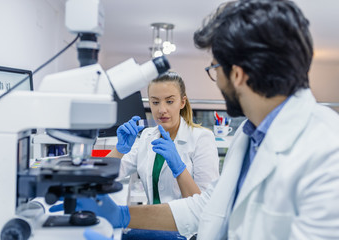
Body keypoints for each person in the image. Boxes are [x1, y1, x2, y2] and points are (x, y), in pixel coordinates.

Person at [55, 0, 339, 239]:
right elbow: (206, 206)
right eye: (154, 102)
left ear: (237, 74)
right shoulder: (250, 135)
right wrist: (122, 214)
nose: (215, 78)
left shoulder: (328, 150)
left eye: (215, 68)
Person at [106, 71, 220, 206]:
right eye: (155, 102)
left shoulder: (202, 138)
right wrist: (119, 150)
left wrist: (179, 169)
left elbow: (206, 205)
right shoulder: (147, 136)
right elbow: (104, 177)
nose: (161, 109)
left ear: (182, 102)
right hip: (153, 221)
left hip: (184, 226)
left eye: (170, 101)